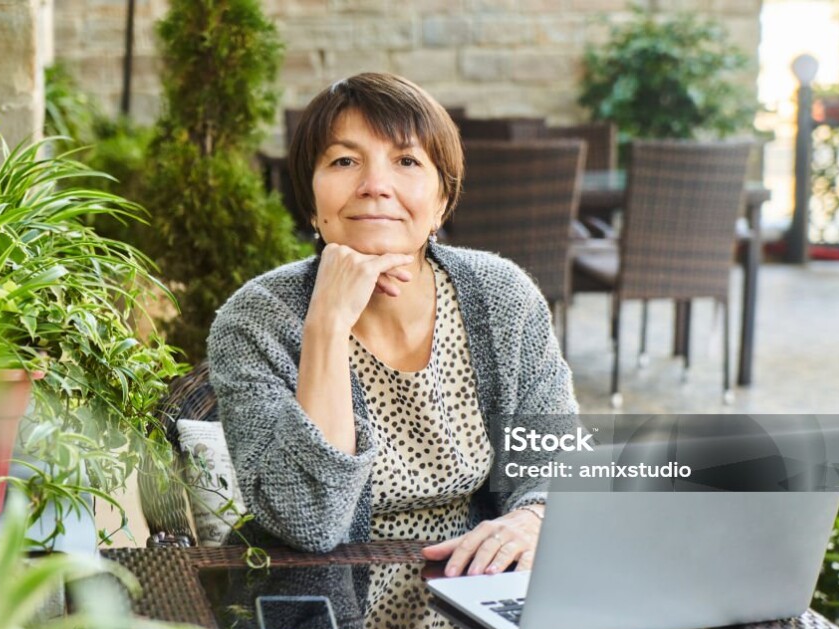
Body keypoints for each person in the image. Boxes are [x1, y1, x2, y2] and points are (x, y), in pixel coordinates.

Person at [207, 72, 579, 580]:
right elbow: (308, 524)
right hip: (320, 611)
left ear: (442, 201)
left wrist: (534, 517)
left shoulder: (503, 295)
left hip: (473, 590)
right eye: (343, 161)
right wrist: (327, 324)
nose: (375, 186)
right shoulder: (256, 319)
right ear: (312, 204)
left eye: (406, 161)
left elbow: (554, 455)